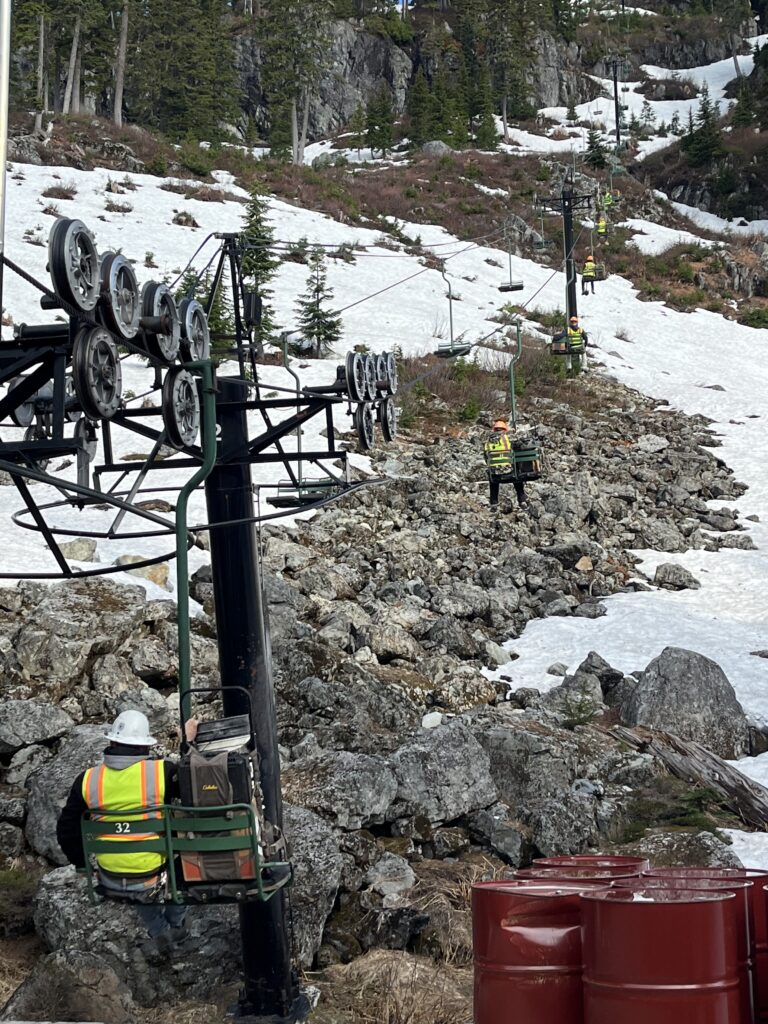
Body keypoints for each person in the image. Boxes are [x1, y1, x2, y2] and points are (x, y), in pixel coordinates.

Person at [57, 709, 199, 954]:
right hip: (152, 871)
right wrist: (188, 742)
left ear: (112, 742)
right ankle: (175, 926)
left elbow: (66, 830)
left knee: (134, 870)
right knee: (183, 859)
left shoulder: (88, 780)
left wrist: (82, 864)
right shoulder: (161, 773)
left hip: (110, 874)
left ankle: (160, 931)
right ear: (145, 747)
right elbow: (195, 784)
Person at [483, 419, 527, 509]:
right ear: (504, 429)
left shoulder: (488, 441)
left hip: (494, 473)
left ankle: (494, 503)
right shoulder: (507, 438)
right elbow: (520, 446)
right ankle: (522, 501)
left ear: (495, 430)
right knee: (517, 476)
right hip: (508, 471)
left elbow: (486, 457)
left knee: (493, 478)